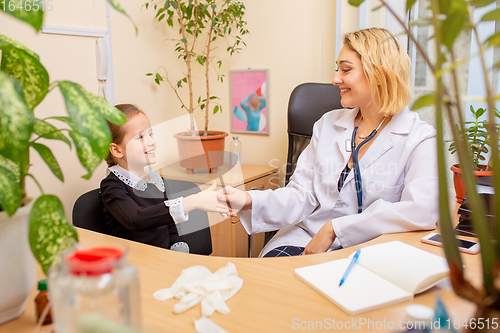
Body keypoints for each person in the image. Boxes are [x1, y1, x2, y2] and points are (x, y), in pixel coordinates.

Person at [219, 27, 439, 257]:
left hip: (370, 249)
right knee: (276, 280)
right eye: (337, 69)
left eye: (346, 69)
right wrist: (246, 199)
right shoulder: (328, 124)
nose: (335, 79)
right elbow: (301, 195)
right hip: (306, 237)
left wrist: (335, 229)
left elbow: (422, 209)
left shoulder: (420, 140)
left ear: (380, 73)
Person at [100, 104, 228, 252]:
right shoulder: (111, 186)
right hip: (135, 266)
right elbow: (136, 219)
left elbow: (169, 225)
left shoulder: (156, 180)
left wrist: (178, 250)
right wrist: (192, 201)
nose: (151, 142)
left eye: (150, 134)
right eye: (140, 137)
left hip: (162, 259)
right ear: (117, 150)